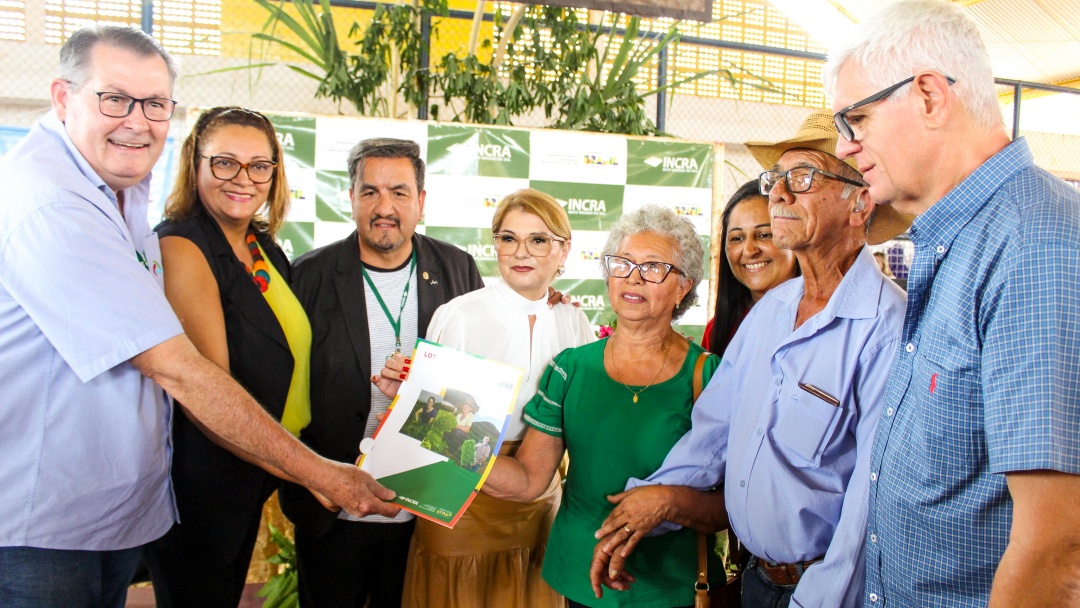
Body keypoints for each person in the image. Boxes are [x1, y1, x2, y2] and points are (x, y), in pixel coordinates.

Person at [0, 26, 396, 607]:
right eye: (115, 98)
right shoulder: (58, 204)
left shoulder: (122, 190)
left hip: (111, 507)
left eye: (156, 104)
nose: (137, 121)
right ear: (63, 98)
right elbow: (182, 370)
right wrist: (321, 473)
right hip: (48, 520)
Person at [590, 110, 908, 608]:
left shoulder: (887, 329)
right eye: (775, 178)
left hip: (820, 594)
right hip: (758, 583)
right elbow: (713, 433)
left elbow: (871, 508)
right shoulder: (771, 313)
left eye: (801, 178)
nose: (778, 193)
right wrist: (645, 506)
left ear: (860, 202)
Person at [826, 1, 1080, 605]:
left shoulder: (1033, 245)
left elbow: (1058, 546)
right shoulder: (967, 238)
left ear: (931, 97)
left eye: (856, 119)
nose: (846, 148)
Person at [481, 205, 727, 607]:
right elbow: (528, 480)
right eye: (623, 263)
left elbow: (733, 506)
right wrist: (442, 438)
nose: (633, 277)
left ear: (684, 286)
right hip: (580, 581)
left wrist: (668, 501)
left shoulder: (710, 377)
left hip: (672, 587)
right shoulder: (570, 368)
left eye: (653, 267)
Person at [280, 137, 485, 608]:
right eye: (369, 192)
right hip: (333, 508)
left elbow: (480, 367)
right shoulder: (309, 275)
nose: (384, 207)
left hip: (424, 510)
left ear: (422, 202)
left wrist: (546, 303)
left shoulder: (457, 269)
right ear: (350, 199)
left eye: (399, 192)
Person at [378, 188, 596, 607]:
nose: (521, 251)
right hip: (460, 502)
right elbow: (429, 424)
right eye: (508, 237)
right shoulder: (460, 314)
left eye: (538, 239)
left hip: (539, 507)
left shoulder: (574, 320)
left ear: (563, 250)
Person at [140, 106, 311, 607]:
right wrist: (308, 468)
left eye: (260, 165)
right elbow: (208, 388)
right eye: (225, 163)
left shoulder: (262, 247)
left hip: (252, 474)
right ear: (195, 165)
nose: (244, 179)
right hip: (203, 483)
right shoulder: (182, 245)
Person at [703, 180, 799, 354]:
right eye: (737, 238)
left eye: (764, 235)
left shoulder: (818, 322)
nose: (749, 250)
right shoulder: (718, 330)